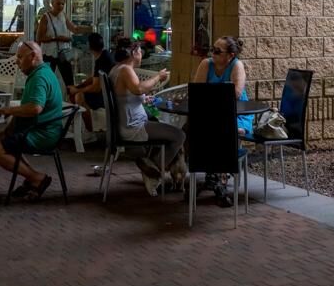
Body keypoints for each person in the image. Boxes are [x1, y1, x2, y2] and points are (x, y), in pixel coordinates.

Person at [0, 41, 63, 201]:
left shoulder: (39, 77)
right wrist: (9, 128)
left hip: (42, 134)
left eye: (20, 57)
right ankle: (31, 179)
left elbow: (35, 108)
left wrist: (9, 110)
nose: (16, 61)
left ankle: (37, 178)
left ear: (33, 56)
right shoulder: (43, 71)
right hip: (40, 129)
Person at [110, 41, 181, 196]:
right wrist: (158, 77)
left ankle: (151, 166)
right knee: (179, 135)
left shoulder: (116, 69)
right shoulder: (126, 70)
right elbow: (138, 88)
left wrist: (144, 99)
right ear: (134, 53)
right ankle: (152, 170)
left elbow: (129, 95)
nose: (142, 55)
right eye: (140, 51)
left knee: (162, 125)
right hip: (134, 126)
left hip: (127, 123)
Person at [192, 36, 251, 207]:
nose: (213, 53)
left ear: (230, 55)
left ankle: (218, 177)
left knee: (227, 130)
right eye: (213, 49)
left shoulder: (236, 65)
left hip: (236, 113)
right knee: (199, 129)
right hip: (211, 113)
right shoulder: (206, 64)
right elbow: (197, 92)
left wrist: (211, 96)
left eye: (217, 51)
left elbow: (236, 94)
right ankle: (219, 177)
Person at [36, 0, 90, 90]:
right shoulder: (46, 17)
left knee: (69, 80)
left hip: (63, 53)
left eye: (62, 4)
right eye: (58, 4)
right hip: (49, 53)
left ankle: (71, 96)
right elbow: (39, 37)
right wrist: (57, 38)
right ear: (52, 3)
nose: (60, 6)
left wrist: (90, 28)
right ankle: (48, 97)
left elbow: (74, 29)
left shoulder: (63, 16)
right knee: (47, 81)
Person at [70, 33, 113, 138]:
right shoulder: (103, 55)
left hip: (108, 96)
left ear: (89, 46)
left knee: (79, 97)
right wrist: (78, 86)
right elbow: (94, 78)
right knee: (75, 94)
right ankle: (79, 126)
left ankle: (89, 131)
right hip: (106, 92)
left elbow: (96, 88)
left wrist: (77, 90)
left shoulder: (102, 60)